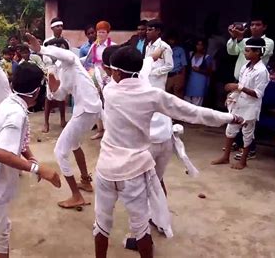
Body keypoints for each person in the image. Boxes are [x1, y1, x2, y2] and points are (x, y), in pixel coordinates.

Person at [93, 46, 244, 258]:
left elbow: (140, 67)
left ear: (116, 73)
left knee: (101, 224)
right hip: (133, 172)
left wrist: (148, 59)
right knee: (141, 228)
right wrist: (229, 117)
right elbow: (193, 112)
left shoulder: (110, 91)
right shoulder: (153, 95)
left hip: (105, 169)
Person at [0, 62, 61, 258]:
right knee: (0, 237)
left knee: (1, 230)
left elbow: (16, 138)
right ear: (38, 92)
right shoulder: (16, 113)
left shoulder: (10, 102)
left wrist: (30, 156)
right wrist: (39, 169)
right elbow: (1, 152)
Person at [28, 33, 102, 209]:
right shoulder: (59, 68)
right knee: (74, 144)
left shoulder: (71, 59)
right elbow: (61, 95)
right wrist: (52, 82)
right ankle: (85, 181)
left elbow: (64, 54)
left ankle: (76, 196)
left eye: (53, 51)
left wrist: (40, 48)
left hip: (87, 108)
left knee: (60, 151)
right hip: (86, 108)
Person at [212, 38, 269, 170]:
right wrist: (232, 94)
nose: (245, 53)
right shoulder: (245, 67)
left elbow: (258, 93)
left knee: (247, 133)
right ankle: (225, 157)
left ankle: (243, 160)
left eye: (248, 50)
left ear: (257, 52)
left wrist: (239, 87)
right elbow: (240, 86)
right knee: (230, 130)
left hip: (250, 106)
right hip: (239, 103)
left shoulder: (262, 71)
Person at [144, 20, 174, 196]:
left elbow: (169, 66)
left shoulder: (164, 47)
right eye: (147, 29)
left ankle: (164, 137)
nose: (148, 32)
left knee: (160, 112)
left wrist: (153, 72)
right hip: (149, 84)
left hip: (157, 83)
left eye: (150, 29)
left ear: (158, 31)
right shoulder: (149, 46)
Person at [41, 38, 68, 133]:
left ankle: (63, 120)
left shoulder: (65, 41)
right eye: (57, 26)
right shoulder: (47, 42)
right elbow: (46, 59)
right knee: (49, 97)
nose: (59, 28)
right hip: (51, 69)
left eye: (61, 26)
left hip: (62, 70)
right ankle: (46, 123)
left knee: (62, 95)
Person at [185, 38, 213, 106]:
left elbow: (210, 72)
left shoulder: (207, 57)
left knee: (197, 105)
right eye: (198, 44)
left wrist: (199, 70)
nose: (199, 47)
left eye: (201, 45)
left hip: (200, 84)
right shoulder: (191, 54)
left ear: (204, 46)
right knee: (186, 103)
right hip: (190, 82)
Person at [165, 31, 188, 99]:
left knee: (178, 96)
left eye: (173, 39)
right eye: (170, 39)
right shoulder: (165, 50)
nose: (171, 41)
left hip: (178, 75)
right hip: (169, 75)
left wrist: (182, 78)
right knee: (168, 96)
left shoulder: (180, 50)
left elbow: (184, 65)